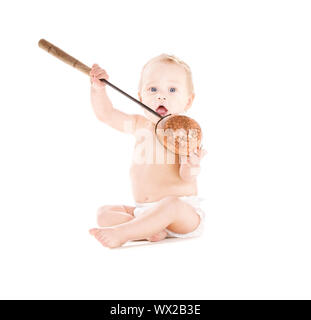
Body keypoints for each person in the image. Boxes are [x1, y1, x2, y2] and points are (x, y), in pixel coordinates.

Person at [88, 54, 207, 248]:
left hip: (181, 214)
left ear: (187, 101)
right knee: (103, 213)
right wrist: (98, 90)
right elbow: (106, 115)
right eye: (153, 89)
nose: (161, 96)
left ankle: (123, 233)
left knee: (172, 203)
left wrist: (192, 166)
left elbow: (188, 178)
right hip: (144, 211)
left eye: (172, 89)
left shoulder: (184, 133)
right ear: (141, 97)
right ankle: (148, 230)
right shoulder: (138, 125)